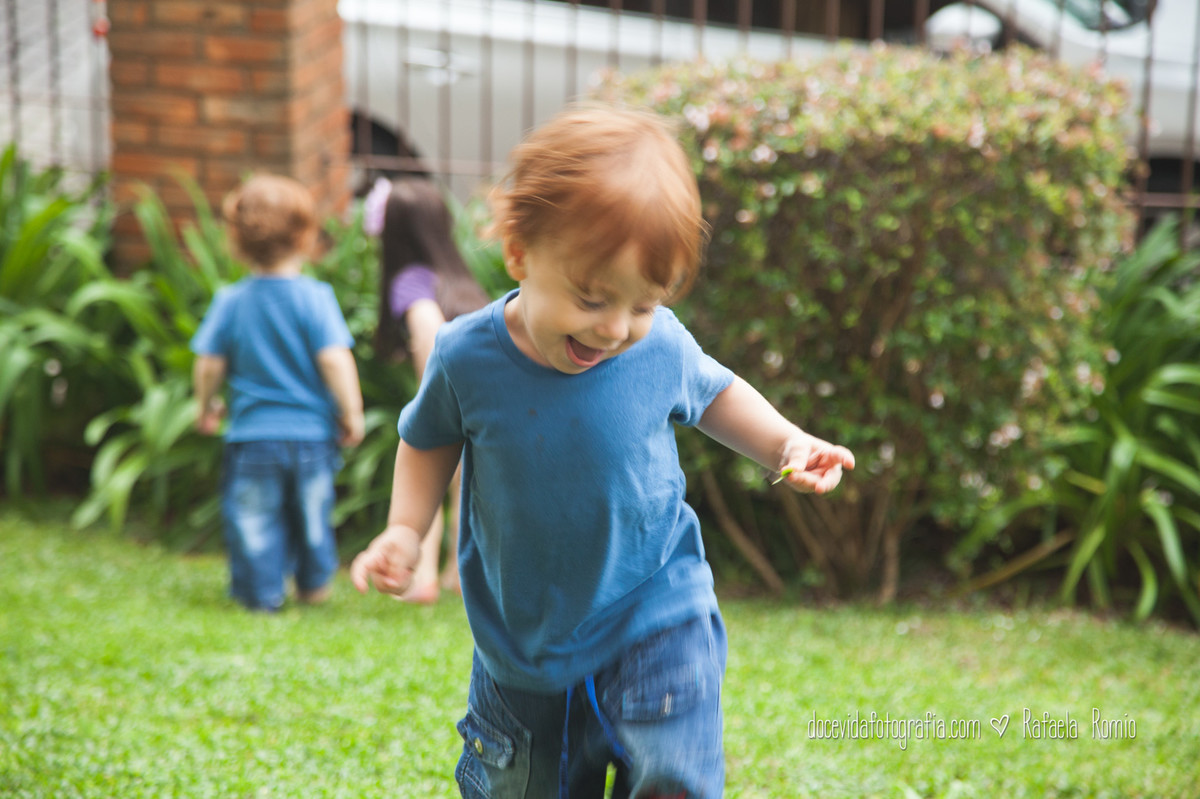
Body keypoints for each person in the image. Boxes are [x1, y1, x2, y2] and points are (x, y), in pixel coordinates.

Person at [350, 106, 855, 798]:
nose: (617, 328)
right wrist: (406, 529)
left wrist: (786, 443)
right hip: (525, 644)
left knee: (674, 777)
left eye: (643, 304)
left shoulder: (660, 344)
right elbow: (427, 436)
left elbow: (715, 394)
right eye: (591, 297)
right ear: (520, 254)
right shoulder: (465, 356)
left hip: (657, 609)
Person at [192, 174, 364, 612]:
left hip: (252, 437)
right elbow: (334, 360)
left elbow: (210, 362)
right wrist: (352, 412)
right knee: (312, 517)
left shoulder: (231, 301)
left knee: (253, 518)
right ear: (306, 236)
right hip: (310, 436)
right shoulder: (315, 298)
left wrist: (206, 404)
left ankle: (261, 594)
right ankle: (313, 587)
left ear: (236, 240)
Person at [366, 176, 491, 602]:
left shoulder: (411, 280)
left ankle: (420, 579)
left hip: (454, 397)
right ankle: (457, 573)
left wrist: (432, 395)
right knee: (465, 485)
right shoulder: (461, 280)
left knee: (431, 482)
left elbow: (427, 331)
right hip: (488, 398)